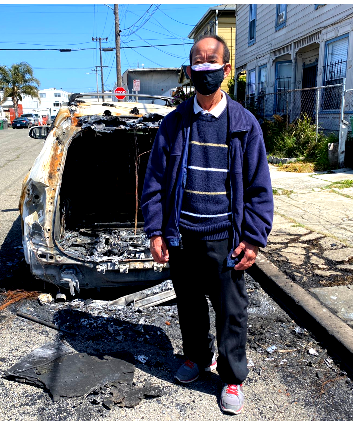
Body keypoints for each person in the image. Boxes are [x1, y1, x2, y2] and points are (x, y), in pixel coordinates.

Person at [140, 35, 274, 415]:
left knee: (231, 310)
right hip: (182, 236)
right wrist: (155, 231)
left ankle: (232, 377)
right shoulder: (175, 123)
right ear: (189, 70)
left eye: (211, 61)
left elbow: (259, 188)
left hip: (225, 239)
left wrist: (253, 238)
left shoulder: (245, 126)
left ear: (226, 70)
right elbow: (154, 183)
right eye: (197, 62)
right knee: (190, 304)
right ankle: (198, 357)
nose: (204, 68)